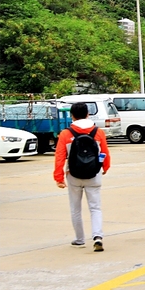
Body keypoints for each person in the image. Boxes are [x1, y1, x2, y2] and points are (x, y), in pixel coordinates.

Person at [53, 102, 111, 251]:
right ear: (87, 114)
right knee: (95, 208)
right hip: (94, 174)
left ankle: (79, 239)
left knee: (75, 208)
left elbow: (60, 156)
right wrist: (105, 167)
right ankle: (97, 236)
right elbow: (104, 152)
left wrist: (58, 177)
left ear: (72, 116)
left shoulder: (66, 134)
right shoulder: (98, 132)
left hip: (73, 175)